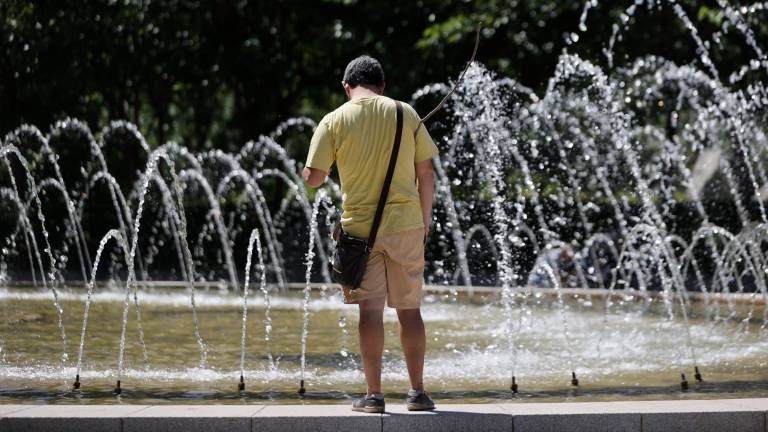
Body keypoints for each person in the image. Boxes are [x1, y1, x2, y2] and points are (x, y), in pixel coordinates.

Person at [302, 55, 438, 413]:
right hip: (408, 224)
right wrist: (423, 222)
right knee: (410, 311)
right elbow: (427, 174)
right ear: (383, 85)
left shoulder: (333, 120)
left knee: (370, 314)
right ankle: (417, 393)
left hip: (360, 232)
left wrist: (317, 169)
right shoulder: (405, 113)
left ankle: (374, 396)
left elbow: (313, 179)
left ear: (347, 87)